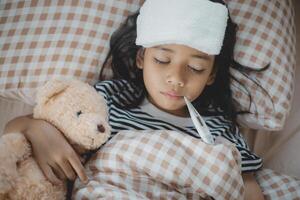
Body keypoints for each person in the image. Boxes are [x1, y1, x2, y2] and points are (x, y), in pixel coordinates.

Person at [4, 0, 265, 199]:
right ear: (141, 58)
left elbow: (245, 184)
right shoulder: (110, 99)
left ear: (211, 74)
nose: (176, 78)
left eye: (196, 68)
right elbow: (17, 130)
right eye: (162, 60)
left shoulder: (218, 125)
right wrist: (35, 128)